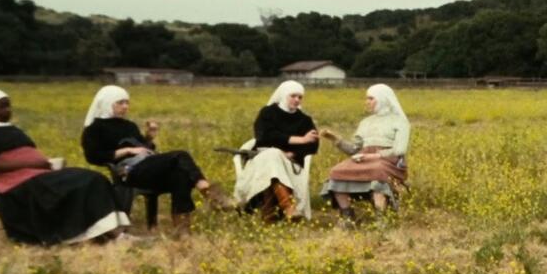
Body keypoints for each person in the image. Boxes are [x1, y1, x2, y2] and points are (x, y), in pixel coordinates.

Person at [0, 88, 129, 245]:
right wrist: (33, 163)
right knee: (88, 180)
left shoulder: (11, 128)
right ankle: (113, 235)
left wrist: (47, 163)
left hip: (40, 173)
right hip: (18, 183)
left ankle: (112, 232)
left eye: (9, 106)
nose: (8, 110)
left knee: (94, 178)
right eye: (2, 106)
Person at [79, 85, 222, 234]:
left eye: (127, 103)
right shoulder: (94, 129)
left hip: (147, 166)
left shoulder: (129, 126)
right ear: (107, 103)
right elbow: (93, 156)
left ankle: (182, 229)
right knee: (181, 155)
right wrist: (127, 150)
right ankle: (208, 191)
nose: (125, 106)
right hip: (129, 172)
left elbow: (145, 148)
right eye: (120, 103)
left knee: (181, 176)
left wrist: (149, 137)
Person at [319, 83, 410, 222]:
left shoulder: (400, 121)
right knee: (336, 172)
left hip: (389, 161)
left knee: (377, 170)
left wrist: (373, 155)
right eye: (367, 98)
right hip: (365, 159)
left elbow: (399, 150)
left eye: (371, 98)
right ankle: (348, 216)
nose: (367, 102)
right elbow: (355, 150)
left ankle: (382, 218)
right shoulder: (365, 122)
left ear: (383, 99)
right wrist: (336, 140)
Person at [234, 81, 318, 221]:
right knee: (272, 156)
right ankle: (288, 207)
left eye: (300, 97)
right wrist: (300, 140)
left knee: (273, 159)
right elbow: (264, 136)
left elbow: (313, 145)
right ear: (284, 95)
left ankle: (269, 214)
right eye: (293, 96)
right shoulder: (267, 113)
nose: (297, 100)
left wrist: (292, 153)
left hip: (290, 164)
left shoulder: (305, 120)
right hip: (261, 159)